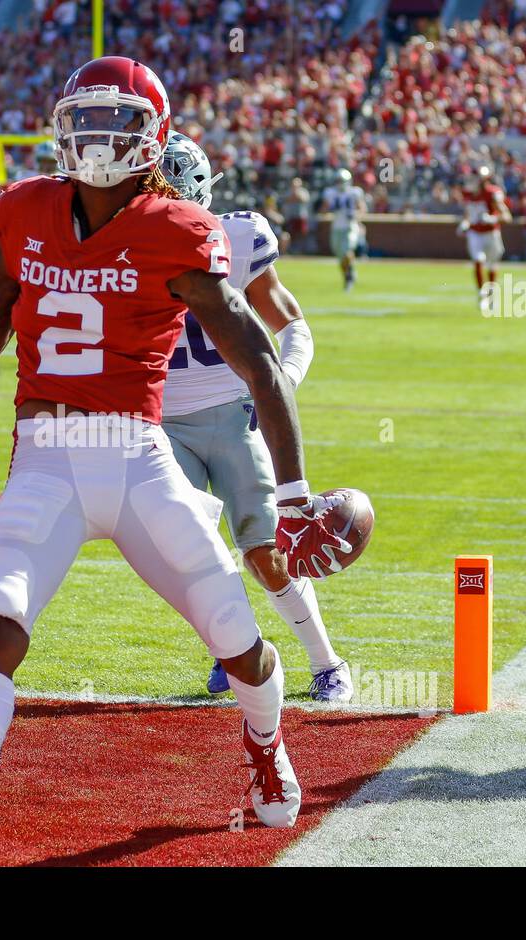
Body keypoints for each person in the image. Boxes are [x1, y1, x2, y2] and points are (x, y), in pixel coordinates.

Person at [0, 56, 353, 867]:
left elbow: (260, 362)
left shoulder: (177, 226)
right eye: (88, 121)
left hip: (140, 457)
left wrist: (293, 495)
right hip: (45, 458)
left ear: (154, 136)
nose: (101, 139)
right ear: (62, 126)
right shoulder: (24, 209)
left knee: (238, 641)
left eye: (119, 123)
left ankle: (264, 741)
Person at [160, 132, 353, 702]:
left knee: (265, 551)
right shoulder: (123, 247)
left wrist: (277, 386)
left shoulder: (238, 237)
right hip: (163, 424)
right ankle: (236, 648)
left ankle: (326, 662)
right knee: (189, 552)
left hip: (233, 417)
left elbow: (294, 326)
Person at [458, 165, 510, 303]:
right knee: (478, 260)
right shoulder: (468, 194)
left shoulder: (492, 193)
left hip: (491, 233)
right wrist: (465, 223)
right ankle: (482, 295)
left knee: (492, 265)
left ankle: (491, 294)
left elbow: (506, 216)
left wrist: (493, 218)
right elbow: (468, 214)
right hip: (475, 232)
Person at [319, 168, 365, 291]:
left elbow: (362, 208)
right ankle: (348, 274)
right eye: (337, 180)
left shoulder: (354, 192)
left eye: (341, 180)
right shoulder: (330, 193)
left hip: (350, 226)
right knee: (340, 257)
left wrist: (356, 215)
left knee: (347, 251)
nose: (339, 183)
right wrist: (327, 209)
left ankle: (349, 276)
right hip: (336, 228)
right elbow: (323, 210)